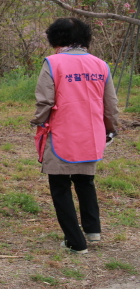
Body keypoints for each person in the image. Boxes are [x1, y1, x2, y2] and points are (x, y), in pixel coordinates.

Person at [31, 17, 119, 254]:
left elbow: (45, 101)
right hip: (91, 134)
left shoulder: (53, 63)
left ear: (56, 37)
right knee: (85, 180)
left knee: (60, 186)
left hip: (61, 133)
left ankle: (75, 242)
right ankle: (92, 230)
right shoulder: (101, 65)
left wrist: (38, 121)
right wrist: (110, 129)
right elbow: (110, 105)